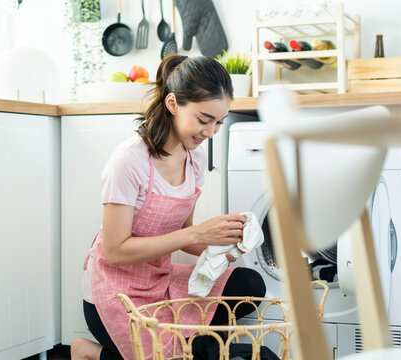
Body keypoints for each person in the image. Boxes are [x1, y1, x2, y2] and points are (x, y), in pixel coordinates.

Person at [71, 54, 266, 360]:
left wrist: (223, 245)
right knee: (179, 353)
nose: (211, 132)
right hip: (115, 291)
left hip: (159, 280)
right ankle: (88, 351)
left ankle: (186, 347)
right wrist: (196, 235)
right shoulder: (129, 161)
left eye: (218, 122)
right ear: (173, 104)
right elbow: (115, 251)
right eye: (203, 120)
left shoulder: (196, 158)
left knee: (249, 283)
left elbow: (184, 232)